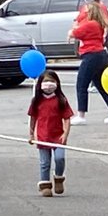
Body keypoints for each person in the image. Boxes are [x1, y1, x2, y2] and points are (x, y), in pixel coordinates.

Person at [69, 0, 108, 125]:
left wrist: (75, 25)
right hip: (99, 54)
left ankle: (81, 114)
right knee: (101, 85)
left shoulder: (91, 24)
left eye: (87, 10)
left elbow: (74, 33)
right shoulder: (98, 24)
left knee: (82, 84)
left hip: (91, 55)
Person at [27, 69, 72, 198]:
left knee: (60, 158)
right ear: (40, 83)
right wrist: (31, 135)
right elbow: (33, 118)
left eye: (52, 81)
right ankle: (45, 185)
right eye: (46, 81)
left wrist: (65, 134)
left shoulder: (61, 100)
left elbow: (67, 118)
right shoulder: (36, 100)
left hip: (58, 136)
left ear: (57, 83)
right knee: (44, 163)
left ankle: (58, 178)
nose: (49, 84)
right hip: (43, 136)